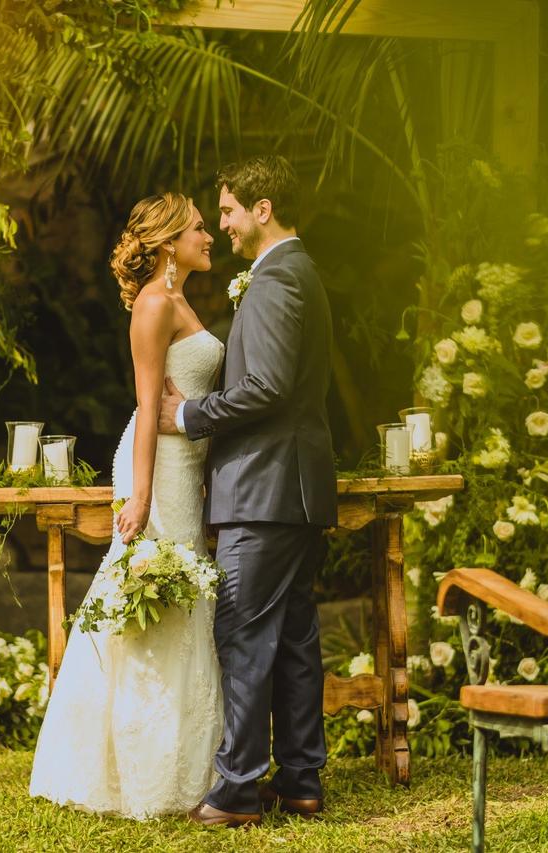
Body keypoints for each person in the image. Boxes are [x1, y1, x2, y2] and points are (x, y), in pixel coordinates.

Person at [29, 192, 226, 819]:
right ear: (168, 241)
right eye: (199, 228)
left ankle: (190, 766)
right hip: (154, 468)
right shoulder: (153, 305)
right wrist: (140, 497)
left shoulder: (183, 301)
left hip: (183, 464)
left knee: (185, 596)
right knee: (154, 597)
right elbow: (147, 408)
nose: (209, 235)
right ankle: (131, 770)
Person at [159, 155, 338, 828]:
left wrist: (188, 416)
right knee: (292, 639)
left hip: (263, 492)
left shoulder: (273, 283)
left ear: (263, 209)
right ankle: (301, 780)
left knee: (243, 637)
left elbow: (266, 388)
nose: (225, 223)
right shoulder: (302, 275)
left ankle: (235, 789)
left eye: (230, 209)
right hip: (292, 491)